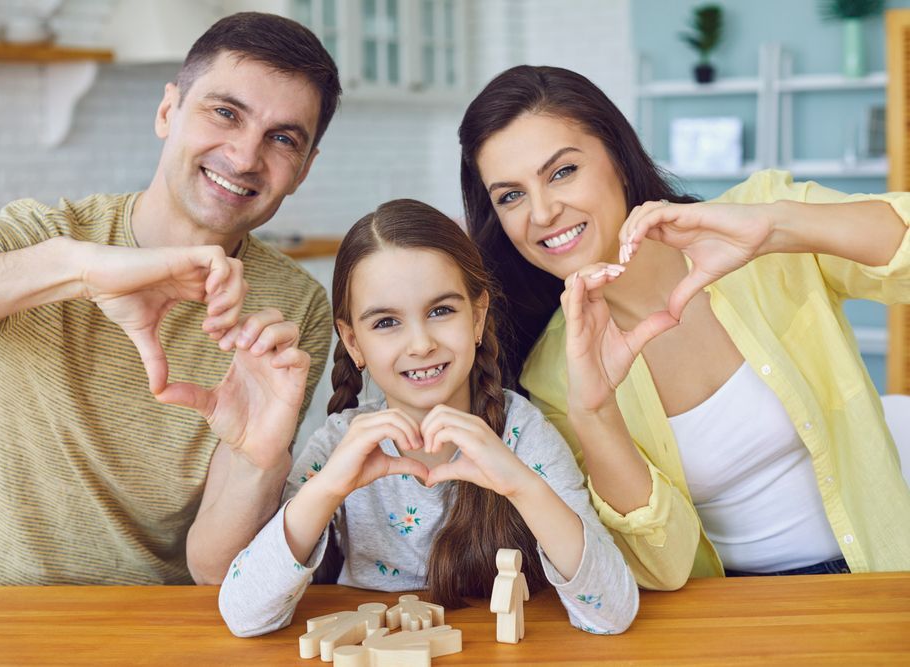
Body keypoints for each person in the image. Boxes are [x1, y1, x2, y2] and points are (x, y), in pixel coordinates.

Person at [0, 12, 341, 586]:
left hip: (154, 630)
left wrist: (255, 460)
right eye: (225, 113)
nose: (243, 157)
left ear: (304, 170)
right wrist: (76, 270)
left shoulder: (293, 306)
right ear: (169, 111)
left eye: (282, 138)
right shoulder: (42, 236)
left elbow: (214, 571)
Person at [458, 65, 910, 590]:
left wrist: (780, 228)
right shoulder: (554, 375)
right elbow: (662, 568)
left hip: (882, 576)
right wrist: (595, 412)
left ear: (619, 162)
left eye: (562, 172)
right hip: (727, 609)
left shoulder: (758, 222)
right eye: (510, 196)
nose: (543, 212)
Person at [217, 199, 639, 638]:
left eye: (441, 311)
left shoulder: (523, 432)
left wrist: (519, 483)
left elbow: (613, 612)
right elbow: (245, 615)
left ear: (477, 318)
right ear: (353, 342)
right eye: (385, 322)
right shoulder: (339, 442)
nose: (420, 344)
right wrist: (327, 489)